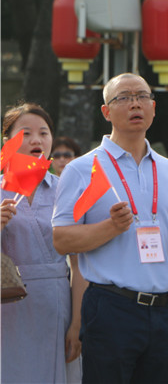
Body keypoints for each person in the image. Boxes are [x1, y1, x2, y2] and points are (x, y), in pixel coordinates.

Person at [52, 73, 168, 383]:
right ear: (106, 111)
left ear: (153, 107)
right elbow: (60, 240)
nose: (135, 104)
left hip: (166, 310)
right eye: (123, 97)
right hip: (112, 308)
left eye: (142, 96)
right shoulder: (82, 169)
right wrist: (111, 227)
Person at [1, 103, 87, 384]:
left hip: (55, 303)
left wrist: (76, 323)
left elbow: (79, 264)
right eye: (25, 133)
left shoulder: (66, 189)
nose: (36, 140)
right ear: (7, 141)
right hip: (7, 306)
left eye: (43, 132)